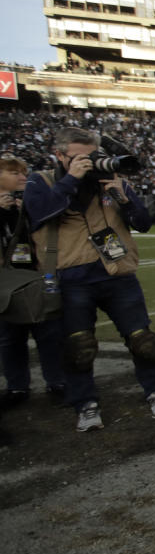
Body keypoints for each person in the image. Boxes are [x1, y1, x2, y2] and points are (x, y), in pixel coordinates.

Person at [24, 128, 155, 432]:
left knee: (143, 340)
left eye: (92, 156)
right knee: (79, 346)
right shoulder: (41, 182)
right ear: (60, 155)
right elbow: (39, 213)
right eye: (80, 158)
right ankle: (85, 403)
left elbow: (144, 223)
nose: (90, 163)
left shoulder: (110, 180)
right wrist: (72, 179)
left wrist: (123, 197)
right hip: (71, 275)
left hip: (118, 271)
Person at [0, 155, 66, 407]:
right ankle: (17, 386)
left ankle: (56, 380)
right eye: (14, 172)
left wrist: (22, 211)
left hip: (39, 273)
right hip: (7, 280)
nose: (21, 176)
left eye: (23, 172)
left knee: (49, 331)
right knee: (9, 336)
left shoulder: (31, 200)